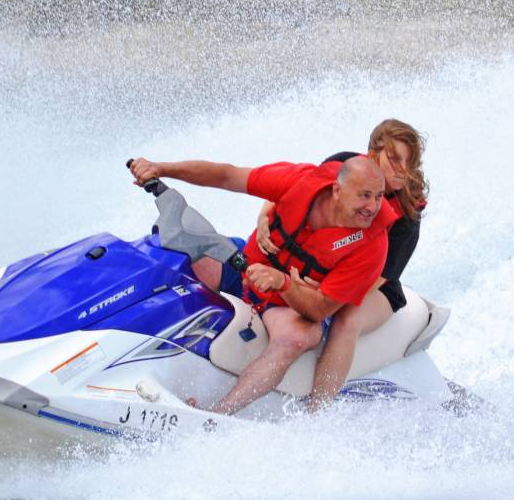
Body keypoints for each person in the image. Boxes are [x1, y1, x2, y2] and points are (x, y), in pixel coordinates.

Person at [126, 154, 396, 416]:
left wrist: (283, 283)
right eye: (364, 195)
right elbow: (227, 175)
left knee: (297, 339)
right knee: (177, 253)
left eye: (378, 196)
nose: (372, 207)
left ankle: (218, 415)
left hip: (289, 305)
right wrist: (161, 168)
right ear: (337, 189)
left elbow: (320, 310)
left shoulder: (373, 246)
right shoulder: (300, 181)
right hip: (242, 267)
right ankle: (119, 340)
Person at [253, 119, 429, 410]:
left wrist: (324, 290)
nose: (402, 169)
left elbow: (376, 279)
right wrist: (263, 218)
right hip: (322, 269)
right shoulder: (342, 166)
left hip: (376, 288)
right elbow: (294, 191)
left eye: (408, 162)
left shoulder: (406, 219)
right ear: (373, 154)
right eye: (394, 159)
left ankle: (318, 409)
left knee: (347, 318)